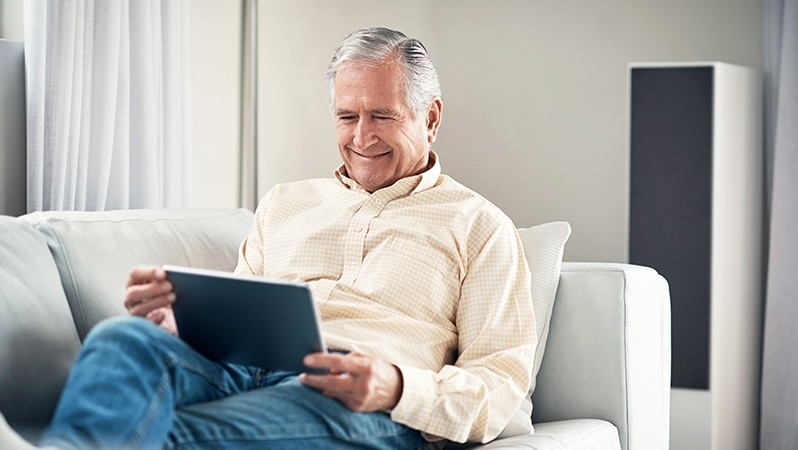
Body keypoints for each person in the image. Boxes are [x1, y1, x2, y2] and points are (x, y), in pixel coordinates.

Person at [0, 27, 535, 449]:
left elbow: (502, 384)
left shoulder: (479, 225)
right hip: (240, 367)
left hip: (359, 402)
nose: (361, 136)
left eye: (382, 116)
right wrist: (178, 321)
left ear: (431, 118)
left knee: (168, 437)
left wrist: (396, 387)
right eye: (347, 116)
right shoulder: (285, 203)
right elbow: (239, 314)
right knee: (123, 341)